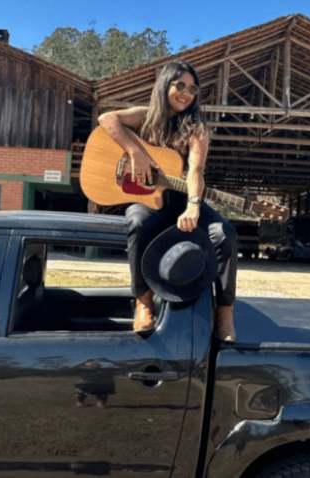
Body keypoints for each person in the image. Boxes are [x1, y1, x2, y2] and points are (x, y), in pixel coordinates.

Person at [98, 60, 237, 342]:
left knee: (225, 234)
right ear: (165, 85)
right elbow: (106, 118)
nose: (186, 93)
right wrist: (135, 152)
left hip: (184, 199)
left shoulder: (196, 128)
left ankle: (225, 310)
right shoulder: (145, 117)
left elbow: (196, 170)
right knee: (137, 222)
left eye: (192, 89)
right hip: (149, 201)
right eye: (180, 85)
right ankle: (143, 301)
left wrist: (194, 205)